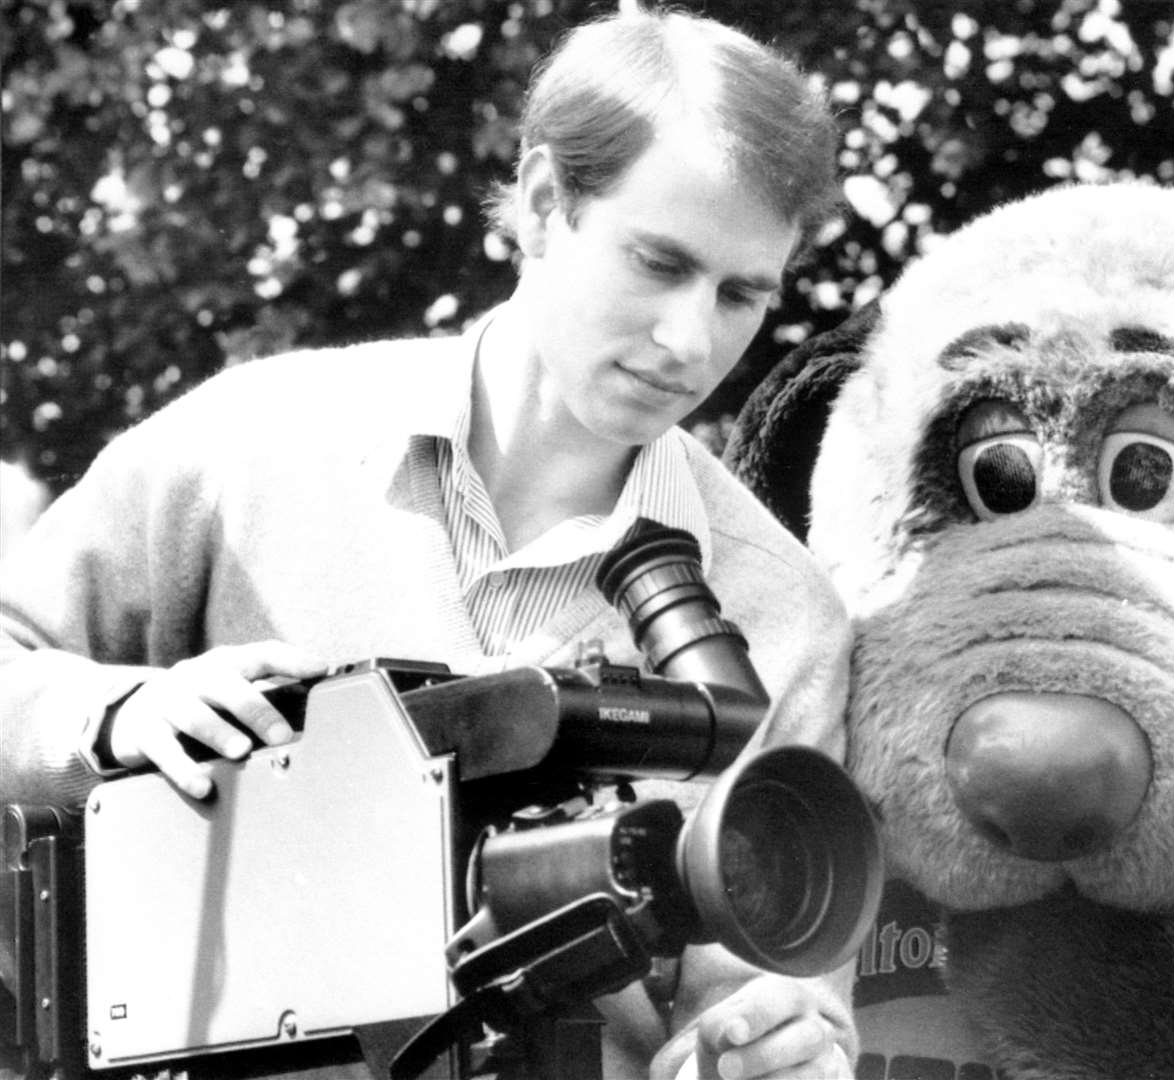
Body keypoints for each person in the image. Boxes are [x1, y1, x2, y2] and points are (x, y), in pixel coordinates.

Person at [0, 8, 858, 1078]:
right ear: (545, 203)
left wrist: (769, 1046)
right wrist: (117, 713)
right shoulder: (249, 444)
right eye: (658, 263)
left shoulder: (785, 614)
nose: (691, 340)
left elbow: (771, 987)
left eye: (741, 295)